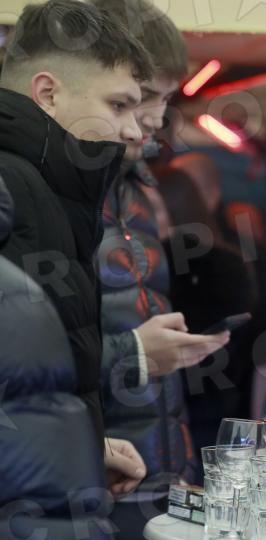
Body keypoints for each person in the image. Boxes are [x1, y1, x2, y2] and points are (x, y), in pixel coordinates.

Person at [0, 0, 152, 499]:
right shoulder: (10, 185)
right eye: (118, 105)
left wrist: (81, 448)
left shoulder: (51, 192)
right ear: (47, 93)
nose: (134, 130)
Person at [87, 0, 229, 535]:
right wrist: (133, 353)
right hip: (89, 477)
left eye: (166, 98)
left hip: (160, 470)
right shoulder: (51, 194)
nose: (153, 117)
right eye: (143, 95)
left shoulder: (139, 187)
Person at [157, 165, 258, 464]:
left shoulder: (165, 263)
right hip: (226, 410)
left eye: (152, 208)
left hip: (183, 411)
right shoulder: (230, 260)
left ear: (172, 209)